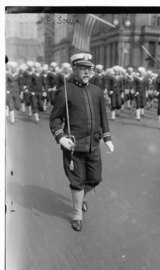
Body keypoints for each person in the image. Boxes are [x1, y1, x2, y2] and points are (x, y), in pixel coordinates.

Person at [50, 53, 114, 232]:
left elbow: (103, 117)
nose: (86, 72)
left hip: (93, 144)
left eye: (89, 68)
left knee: (95, 178)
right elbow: (55, 119)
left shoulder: (97, 91)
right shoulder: (66, 90)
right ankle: (77, 213)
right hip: (74, 146)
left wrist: (107, 138)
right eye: (82, 68)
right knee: (77, 181)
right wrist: (61, 137)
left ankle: (80, 197)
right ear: (74, 69)